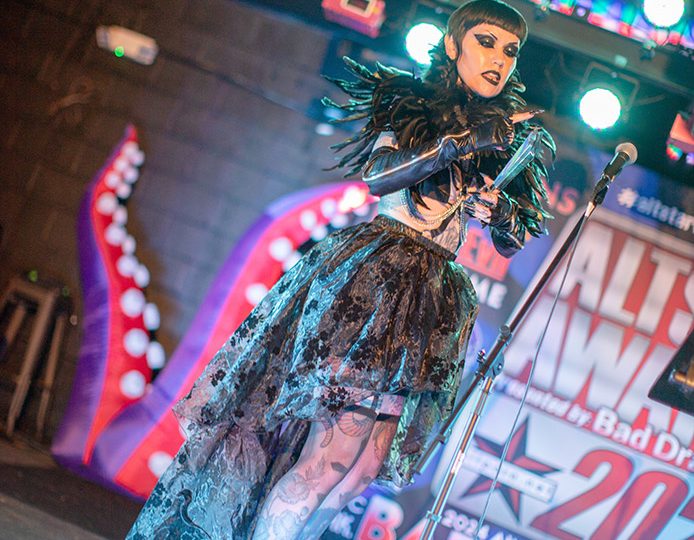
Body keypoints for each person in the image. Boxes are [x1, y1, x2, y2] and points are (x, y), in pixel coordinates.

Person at [126, 0, 554, 538]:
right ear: (452, 45)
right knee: (331, 455)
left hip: (433, 295)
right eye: (486, 43)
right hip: (378, 278)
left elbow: (513, 240)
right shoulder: (412, 101)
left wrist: (500, 211)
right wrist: (461, 143)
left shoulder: (506, 134)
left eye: (511, 51)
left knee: (363, 470)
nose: (499, 59)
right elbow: (378, 177)